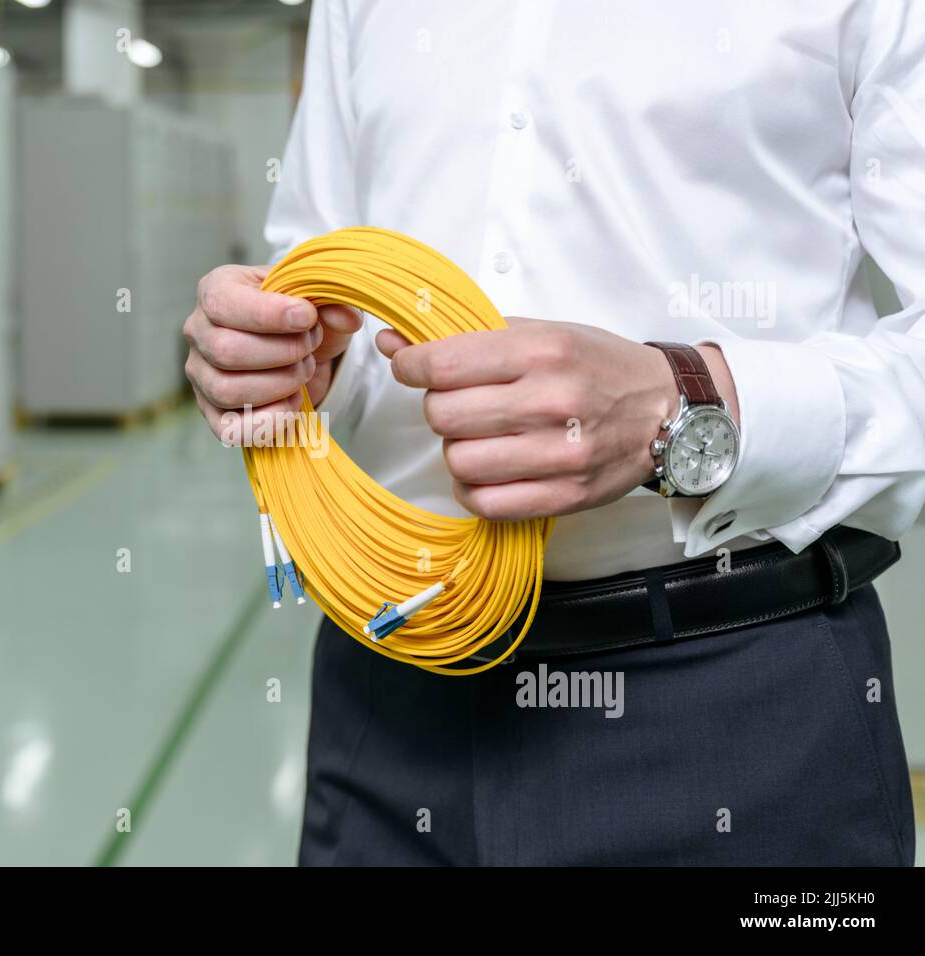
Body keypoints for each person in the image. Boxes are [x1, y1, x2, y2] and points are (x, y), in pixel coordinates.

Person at [183, 0, 922, 865]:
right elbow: (315, 283)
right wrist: (288, 359)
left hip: (733, 706)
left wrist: (684, 404)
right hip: (390, 684)